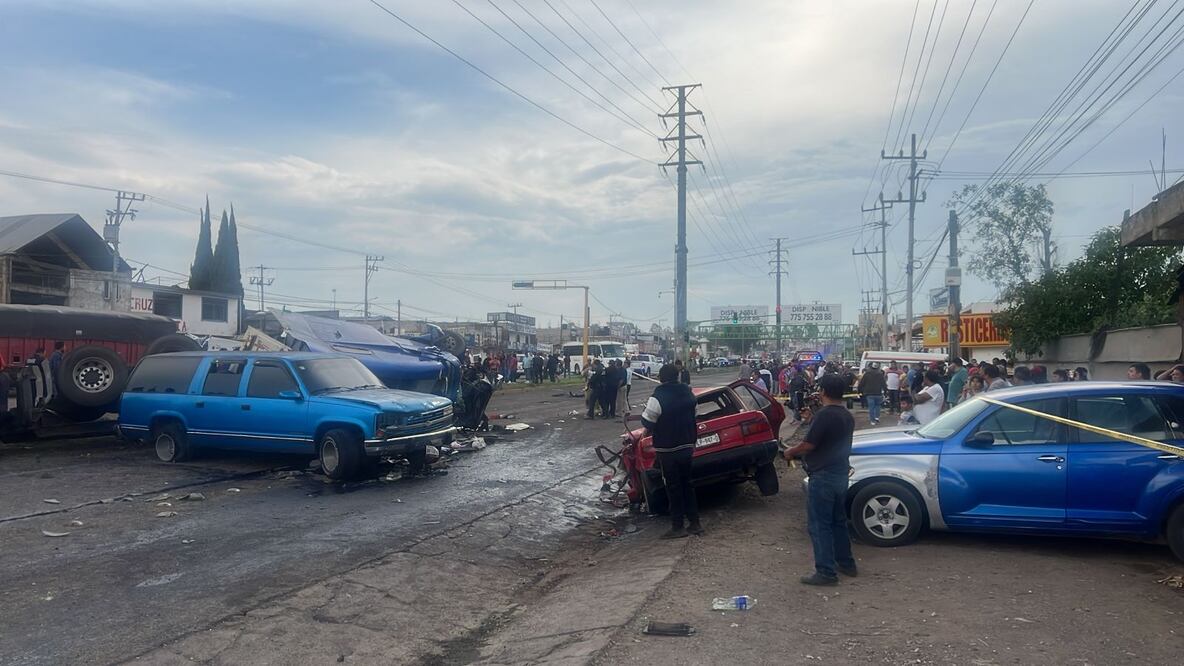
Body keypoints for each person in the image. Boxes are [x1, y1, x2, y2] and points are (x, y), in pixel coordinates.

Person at [783, 374, 857, 585]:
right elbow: (829, 438)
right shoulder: (846, 415)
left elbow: (809, 445)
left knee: (819, 525)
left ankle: (826, 572)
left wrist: (790, 451)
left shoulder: (824, 415)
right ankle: (846, 563)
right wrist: (810, 420)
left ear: (823, 391)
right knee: (838, 521)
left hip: (823, 476)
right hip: (840, 474)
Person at [640, 364, 703, 539]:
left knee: (673, 487)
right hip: (687, 446)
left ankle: (678, 527)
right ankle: (695, 523)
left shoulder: (658, 396)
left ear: (661, 378)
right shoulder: (688, 392)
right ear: (677, 376)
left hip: (668, 450)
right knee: (687, 484)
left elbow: (647, 422)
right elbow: (695, 414)